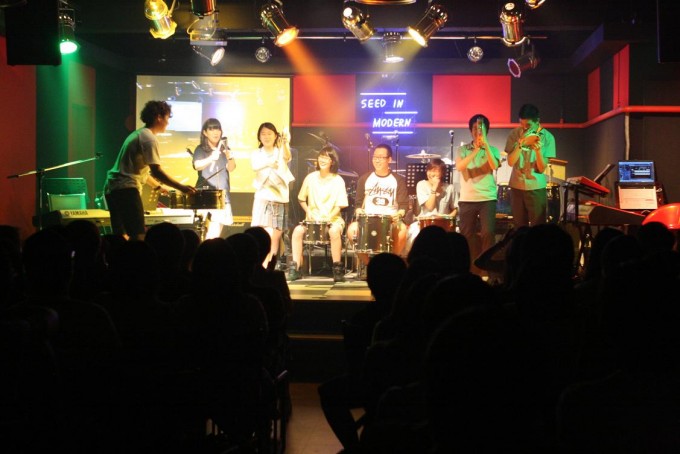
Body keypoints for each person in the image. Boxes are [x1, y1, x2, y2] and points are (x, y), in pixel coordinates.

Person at [104, 100, 195, 240]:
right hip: (126, 189)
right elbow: (156, 171)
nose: (168, 123)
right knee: (137, 235)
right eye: (167, 118)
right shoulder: (149, 138)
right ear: (159, 117)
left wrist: (158, 187)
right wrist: (182, 187)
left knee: (120, 235)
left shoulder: (139, 134)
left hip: (113, 188)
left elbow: (140, 171)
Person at [289, 146, 349, 282]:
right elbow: (301, 199)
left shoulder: (338, 179)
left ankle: (337, 269)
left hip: (333, 220)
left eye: (326, 158)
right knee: (297, 231)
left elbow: (340, 204)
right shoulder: (310, 177)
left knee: (334, 231)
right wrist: (308, 211)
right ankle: (296, 268)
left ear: (332, 161)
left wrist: (329, 217)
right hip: (312, 221)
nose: (322, 160)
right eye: (321, 157)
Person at [455, 114, 502, 268]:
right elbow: (460, 167)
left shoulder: (493, 150)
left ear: (487, 130)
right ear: (470, 130)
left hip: (487, 197)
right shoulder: (462, 149)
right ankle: (468, 267)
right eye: (475, 128)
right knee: (466, 235)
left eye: (481, 128)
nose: (478, 131)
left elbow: (494, 165)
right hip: (467, 198)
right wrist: (475, 150)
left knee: (488, 233)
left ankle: (487, 268)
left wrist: (485, 146)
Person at [347, 143, 409, 257]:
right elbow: (358, 203)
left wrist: (400, 213)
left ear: (389, 159)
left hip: (390, 220)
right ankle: (368, 264)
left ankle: (392, 261)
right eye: (375, 157)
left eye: (381, 157)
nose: (377, 160)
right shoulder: (364, 179)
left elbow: (404, 205)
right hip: (368, 220)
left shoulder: (398, 180)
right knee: (351, 230)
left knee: (403, 231)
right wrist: (358, 210)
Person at [504, 103, 557, 227]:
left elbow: (542, 168)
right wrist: (520, 144)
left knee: (538, 227)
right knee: (519, 226)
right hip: (517, 185)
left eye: (528, 125)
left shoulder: (548, 137)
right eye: (521, 124)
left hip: (536, 187)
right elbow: (510, 162)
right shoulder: (514, 134)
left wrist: (538, 151)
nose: (524, 128)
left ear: (537, 121)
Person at [251, 122, 295, 268]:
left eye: (269, 133)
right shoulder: (256, 153)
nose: (266, 136)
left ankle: (272, 264)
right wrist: (269, 163)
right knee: (267, 233)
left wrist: (286, 142)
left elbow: (288, 157)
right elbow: (255, 166)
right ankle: (263, 264)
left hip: (280, 197)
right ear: (259, 137)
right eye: (263, 134)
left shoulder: (280, 151)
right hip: (264, 197)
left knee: (276, 234)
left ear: (275, 136)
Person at [191, 117, 236, 239]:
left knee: (216, 235)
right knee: (208, 234)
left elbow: (231, 168)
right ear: (205, 133)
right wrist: (211, 157)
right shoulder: (200, 149)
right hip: (205, 196)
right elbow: (197, 165)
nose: (216, 132)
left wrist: (230, 158)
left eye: (218, 129)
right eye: (211, 129)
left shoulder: (225, 149)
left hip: (222, 196)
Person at [404, 158, 458, 256]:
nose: (431, 174)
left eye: (435, 171)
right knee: (413, 237)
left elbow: (455, 208)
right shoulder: (421, 185)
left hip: (444, 224)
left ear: (442, 173)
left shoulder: (450, 188)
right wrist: (434, 189)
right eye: (429, 170)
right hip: (424, 224)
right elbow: (430, 207)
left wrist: (448, 219)